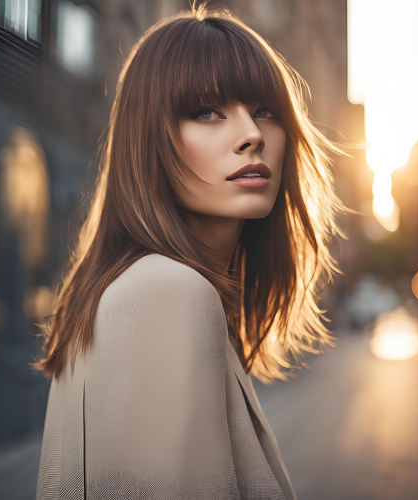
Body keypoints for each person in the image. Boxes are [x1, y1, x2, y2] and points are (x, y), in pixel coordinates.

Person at [33, 2, 345, 498]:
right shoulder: (166, 292)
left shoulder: (135, 288)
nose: (251, 136)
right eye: (206, 112)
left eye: (265, 111)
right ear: (149, 141)